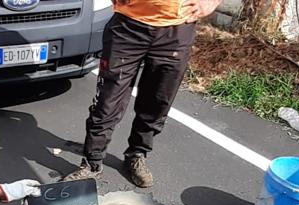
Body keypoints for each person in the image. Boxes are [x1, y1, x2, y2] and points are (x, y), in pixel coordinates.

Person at [63, 0, 222, 187]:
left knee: (157, 102)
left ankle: (137, 154)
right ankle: (92, 163)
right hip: (127, 26)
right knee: (107, 102)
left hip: (176, 30)